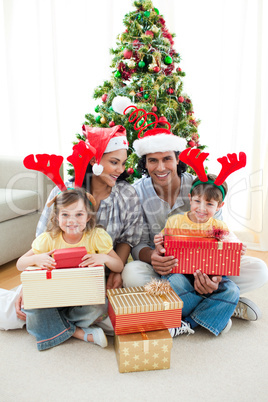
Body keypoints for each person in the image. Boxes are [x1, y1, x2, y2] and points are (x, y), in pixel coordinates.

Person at [122, 118, 268, 335]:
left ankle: (198, 304)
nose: (160, 167)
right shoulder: (136, 193)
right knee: (132, 274)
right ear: (144, 162)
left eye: (167, 159)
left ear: (177, 158)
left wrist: (215, 276)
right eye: (153, 160)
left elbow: (219, 231)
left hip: (207, 266)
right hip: (168, 270)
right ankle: (220, 306)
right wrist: (153, 256)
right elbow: (137, 242)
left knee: (259, 270)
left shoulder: (202, 186)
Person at [13, 125, 143, 336]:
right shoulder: (62, 192)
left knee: (110, 316)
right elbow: (42, 243)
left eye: (123, 163)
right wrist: (29, 286)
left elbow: (128, 239)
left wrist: (117, 271)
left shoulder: (127, 194)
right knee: (22, 310)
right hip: (57, 277)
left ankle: (58, 322)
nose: (121, 169)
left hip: (97, 276)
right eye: (114, 162)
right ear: (95, 161)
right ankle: (75, 329)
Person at [17, 187, 123, 350]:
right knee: (30, 305)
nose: (72, 220)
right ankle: (79, 333)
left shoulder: (96, 237)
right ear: (57, 217)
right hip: (54, 297)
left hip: (83, 299)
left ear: (88, 217)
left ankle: (56, 325)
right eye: (65, 215)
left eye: (79, 214)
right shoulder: (49, 239)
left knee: (100, 307)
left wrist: (105, 258)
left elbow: (119, 265)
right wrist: (37, 258)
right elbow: (20, 263)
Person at [154, 171, 240, 336]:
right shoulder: (175, 221)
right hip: (182, 276)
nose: (201, 208)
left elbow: (230, 247)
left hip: (209, 275)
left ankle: (187, 322)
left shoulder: (219, 227)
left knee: (232, 291)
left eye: (209, 204)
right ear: (190, 198)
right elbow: (163, 243)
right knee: (172, 283)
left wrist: (235, 249)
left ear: (219, 206)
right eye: (197, 201)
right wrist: (159, 244)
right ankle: (214, 311)